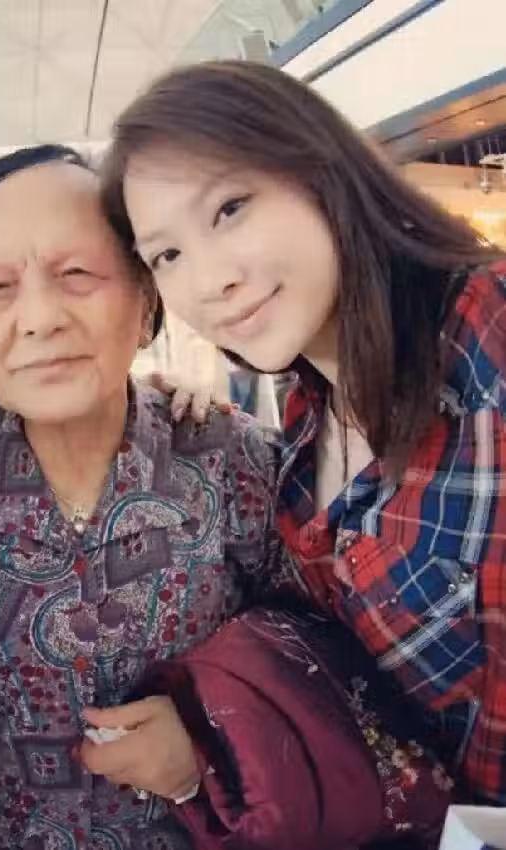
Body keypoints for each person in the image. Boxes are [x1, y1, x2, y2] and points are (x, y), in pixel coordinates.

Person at [0, 144, 451, 850]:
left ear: (146, 300)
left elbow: (335, 670)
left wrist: (207, 745)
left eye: (77, 274)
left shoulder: (238, 462)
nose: (39, 317)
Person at [100, 59, 506, 805]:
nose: (210, 280)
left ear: (320, 170)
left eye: (229, 208)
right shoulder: (302, 425)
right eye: (167, 255)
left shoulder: (489, 337)